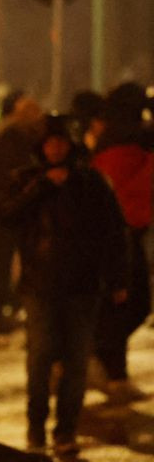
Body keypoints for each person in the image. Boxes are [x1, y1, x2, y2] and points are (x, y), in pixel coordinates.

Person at [0, 114, 128, 455]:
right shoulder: (26, 180)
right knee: (40, 357)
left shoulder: (91, 183)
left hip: (83, 287)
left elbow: (113, 233)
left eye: (61, 142)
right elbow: (7, 216)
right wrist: (42, 187)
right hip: (40, 285)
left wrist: (118, 278)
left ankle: (66, 430)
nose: (55, 148)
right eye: (49, 142)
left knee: (76, 360)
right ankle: (36, 427)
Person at [90, 82, 153, 403]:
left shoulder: (116, 136)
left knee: (127, 304)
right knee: (129, 303)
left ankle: (111, 369)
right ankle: (102, 362)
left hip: (127, 228)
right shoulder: (128, 138)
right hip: (122, 230)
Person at [0, 94, 44, 334]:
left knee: (9, 263)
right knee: (4, 262)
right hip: (10, 212)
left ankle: (9, 307)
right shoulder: (13, 139)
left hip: (13, 211)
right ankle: (4, 309)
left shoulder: (18, 138)